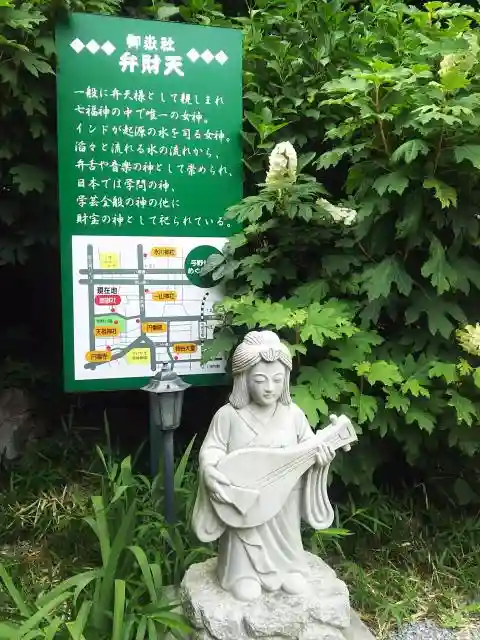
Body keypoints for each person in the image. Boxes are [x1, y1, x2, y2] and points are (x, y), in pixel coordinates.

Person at [192, 330, 335, 602]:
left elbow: (309, 447)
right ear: (243, 379)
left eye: (277, 380)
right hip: (244, 497)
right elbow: (212, 449)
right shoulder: (228, 416)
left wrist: (321, 460)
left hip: (284, 499)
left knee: (288, 540)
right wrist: (209, 471)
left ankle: (288, 568)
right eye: (260, 380)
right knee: (243, 532)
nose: (269, 387)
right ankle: (241, 574)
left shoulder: (294, 415)